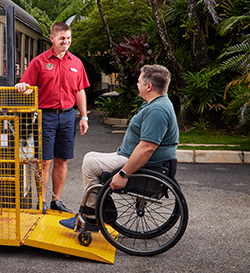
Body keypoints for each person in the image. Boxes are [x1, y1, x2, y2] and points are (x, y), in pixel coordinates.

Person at [60, 64, 179, 231]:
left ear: (149, 86)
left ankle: (92, 217)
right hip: (131, 155)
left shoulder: (157, 110)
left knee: (90, 165)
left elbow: (147, 149)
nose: (137, 85)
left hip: (143, 163)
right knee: (89, 157)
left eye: (139, 82)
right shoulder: (158, 104)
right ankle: (98, 211)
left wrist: (123, 174)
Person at [15, 22, 90, 213]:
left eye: (68, 38)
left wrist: (84, 117)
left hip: (68, 116)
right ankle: (41, 202)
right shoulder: (39, 62)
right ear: (53, 39)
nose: (66, 42)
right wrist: (22, 87)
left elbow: (80, 91)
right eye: (62, 38)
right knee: (44, 161)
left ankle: (56, 200)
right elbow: (26, 85)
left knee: (62, 160)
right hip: (45, 116)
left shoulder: (76, 63)